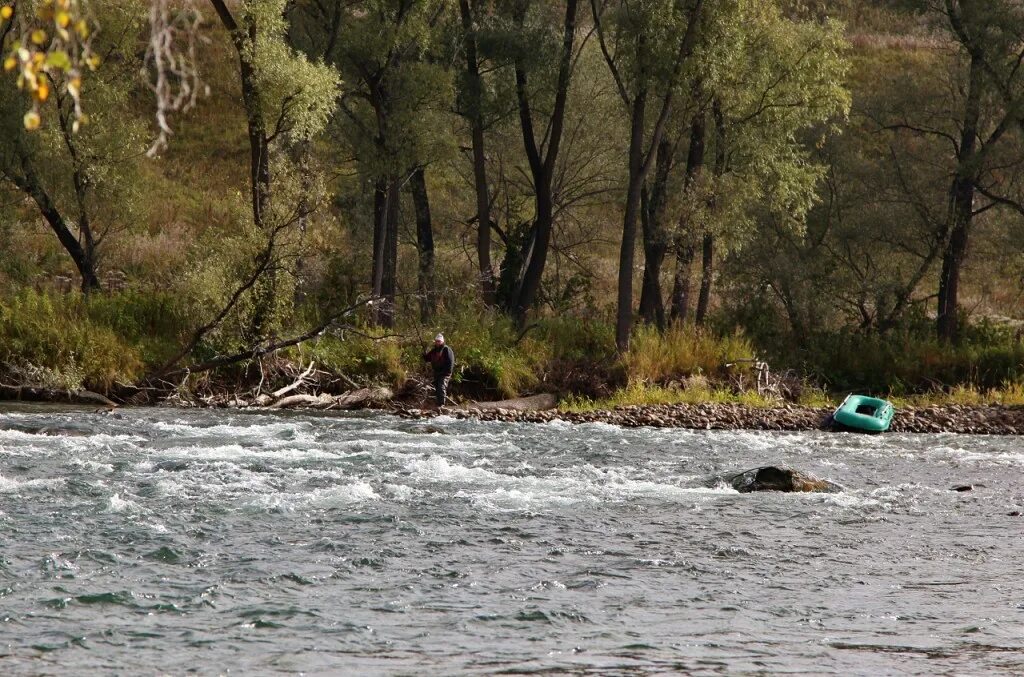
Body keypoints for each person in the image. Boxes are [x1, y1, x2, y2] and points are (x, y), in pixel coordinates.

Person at [423, 333, 455, 407]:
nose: (437, 343)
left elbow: (451, 362)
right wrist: (424, 356)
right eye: (437, 341)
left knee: (441, 387)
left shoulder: (447, 349)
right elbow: (428, 358)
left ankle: (441, 405)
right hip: (437, 373)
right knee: (437, 388)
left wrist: (447, 371)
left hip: (445, 373)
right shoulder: (434, 351)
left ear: (442, 342)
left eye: (439, 341)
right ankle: (438, 404)